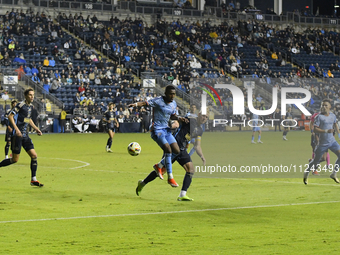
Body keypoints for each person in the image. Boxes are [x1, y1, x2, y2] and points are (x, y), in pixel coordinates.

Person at [136, 112, 208, 201]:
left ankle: (182, 195)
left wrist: (202, 157)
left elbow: (197, 145)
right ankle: (142, 183)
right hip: (173, 147)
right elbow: (177, 121)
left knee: (191, 170)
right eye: (203, 116)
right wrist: (177, 121)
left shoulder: (200, 130)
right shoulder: (190, 120)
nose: (204, 118)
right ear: (199, 114)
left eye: (206, 117)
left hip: (182, 151)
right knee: (161, 172)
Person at [128, 85, 189, 187]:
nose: (172, 96)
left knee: (177, 151)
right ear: (165, 93)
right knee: (168, 150)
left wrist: (179, 118)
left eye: (174, 94)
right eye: (171, 94)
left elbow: (172, 115)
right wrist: (135, 104)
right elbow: (145, 103)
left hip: (166, 130)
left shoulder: (173, 103)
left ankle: (159, 165)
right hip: (157, 129)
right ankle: (170, 177)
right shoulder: (158, 101)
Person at [0, 88, 43, 187]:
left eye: (33, 95)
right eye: (30, 95)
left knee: (34, 156)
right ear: (25, 96)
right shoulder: (20, 105)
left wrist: (36, 129)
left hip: (25, 135)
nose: (32, 97)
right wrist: (17, 129)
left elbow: (28, 119)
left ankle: (33, 179)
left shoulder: (30, 107)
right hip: (17, 135)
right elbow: (10, 116)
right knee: (14, 160)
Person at [303, 99, 340, 185]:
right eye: (322, 105)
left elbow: (335, 125)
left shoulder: (333, 116)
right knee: (316, 161)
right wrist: (326, 131)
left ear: (330, 106)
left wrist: (339, 135)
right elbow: (315, 129)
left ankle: (334, 173)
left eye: (326, 105)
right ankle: (307, 172)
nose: (324, 107)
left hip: (332, 142)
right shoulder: (318, 117)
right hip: (322, 143)